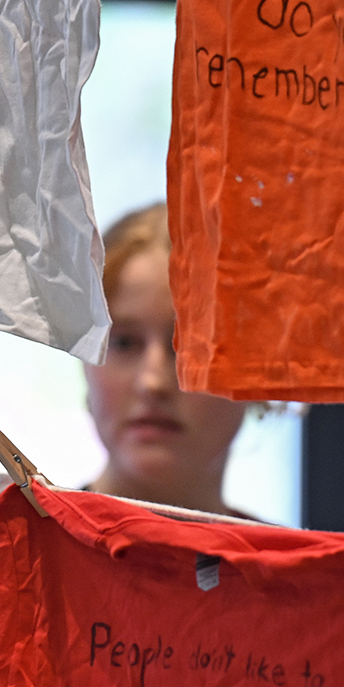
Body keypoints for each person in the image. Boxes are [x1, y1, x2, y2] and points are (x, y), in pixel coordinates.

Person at [84, 202, 252, 515]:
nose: (152, 381)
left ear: (258, 372)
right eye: (123, 342)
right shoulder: (14, 556)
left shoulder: (308, 564)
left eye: (193, 347)